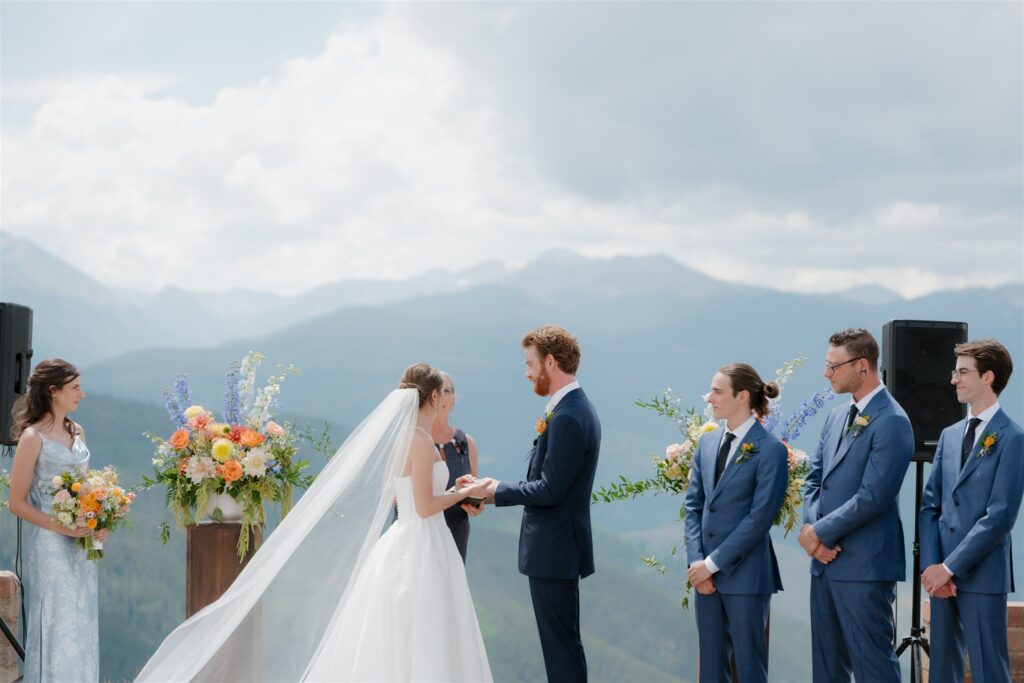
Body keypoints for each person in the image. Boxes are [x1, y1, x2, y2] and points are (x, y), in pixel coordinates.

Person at [136, 363, 494, 682]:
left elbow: (397, 490)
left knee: (401, 628)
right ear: (434, 396)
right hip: (423, 542)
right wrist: (464, 492)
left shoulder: (403, 438)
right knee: (427, 628)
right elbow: (425, 505)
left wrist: (452, 487)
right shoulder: (419, 440)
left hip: (409, 540)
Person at [480, 325, 601, 683]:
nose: (527, 372)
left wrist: (495, 490)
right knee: (563, 643)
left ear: (551, 361)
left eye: (530, 363)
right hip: (560, 547)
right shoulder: (574, 408)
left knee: (560, 646)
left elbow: (550, 490)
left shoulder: (567, 416)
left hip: (555, 548)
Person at [799, 328, 914, 683]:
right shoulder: (836, 416)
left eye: (833, 366)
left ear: (862, 366)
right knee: (827, 668)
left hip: (865, 567)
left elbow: (874, 496)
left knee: (873, 668)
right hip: (824, 564)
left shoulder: (893, 421)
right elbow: (813, 479)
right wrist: (811, 532)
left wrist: (819, 532)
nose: (826, 373)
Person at [920, 339, 1023, 683]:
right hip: (941, 577)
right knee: (942, 672)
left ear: (988, 377)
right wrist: (934, 568)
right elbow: (929, 505)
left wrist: (950, 567)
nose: (954, 380)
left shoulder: (1013, 438)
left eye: (963, 372)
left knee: (989, 671)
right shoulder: (949, 435)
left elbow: (1000, 516)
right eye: (955, 372)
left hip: (982, 574)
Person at [684, 364, 788, 683]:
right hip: (705, 577)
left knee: (748, 668)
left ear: (742, 396)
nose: (709, 398)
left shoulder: (771, 450)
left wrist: (712, 564)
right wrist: (696, 564)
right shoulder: (707, 443)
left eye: (717, 391)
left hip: (747, 576)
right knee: (711, 671)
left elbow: (759, 519)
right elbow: (694, 506)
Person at [8, 359, 104, 683]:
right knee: (56, 622)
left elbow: (86, 491)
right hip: (51, 545)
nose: (82, 394)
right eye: (75, 387)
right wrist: (63, 527)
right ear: (53, 391)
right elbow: (16, 503)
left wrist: (98, 521)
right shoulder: (32, 437)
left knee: (82, 621)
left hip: (83, 544)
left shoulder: (78, 431)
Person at [432, 371, 483, 562]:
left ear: (453, 399)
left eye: (447, 390)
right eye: (436, 390)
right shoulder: (414, 440)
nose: (441, 396)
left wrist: (476, 504)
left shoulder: (467, 443)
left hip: (456, 532)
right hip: (421, 533)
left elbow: (472, 491)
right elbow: (398, 498)